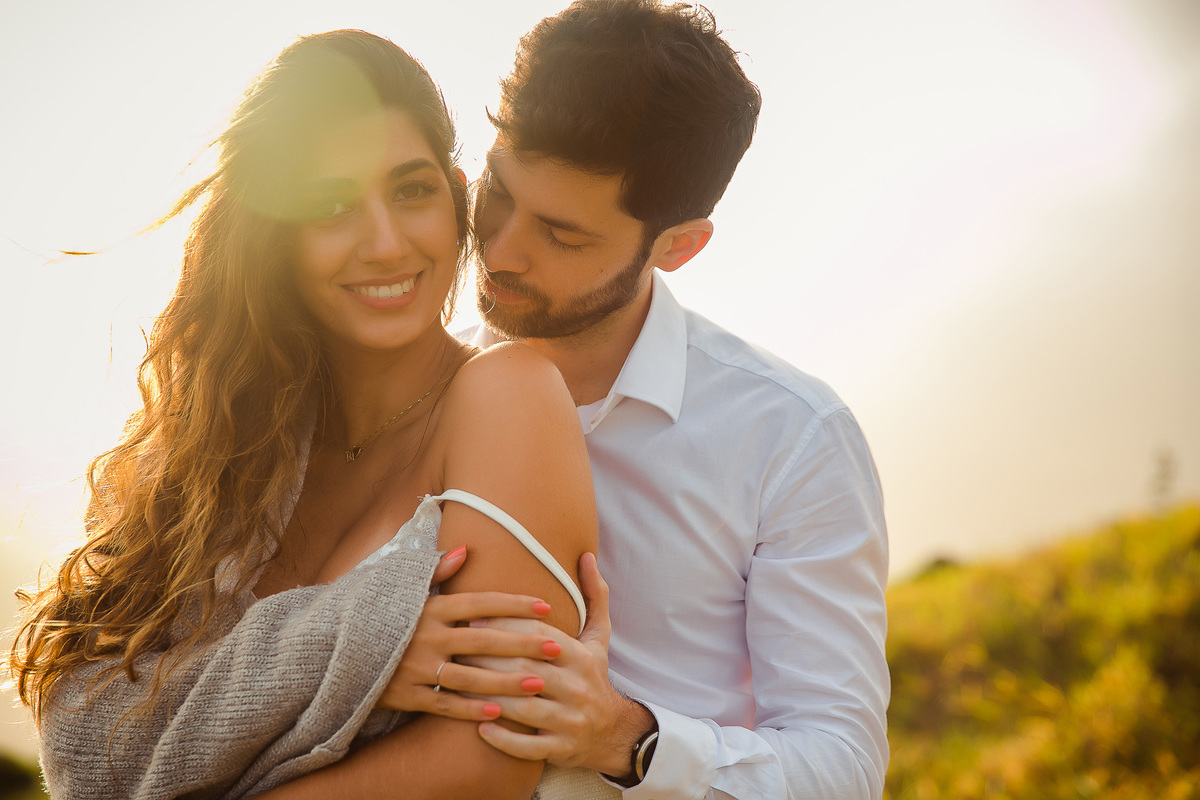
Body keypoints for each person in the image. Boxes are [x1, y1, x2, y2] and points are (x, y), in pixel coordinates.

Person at [9, 30, 596, 799]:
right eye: (329, 205)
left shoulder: (507, 391)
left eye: (412, 190)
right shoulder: (216, 447)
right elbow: (86, 731)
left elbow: (488, 761)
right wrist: (347, 648)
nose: (385, 243)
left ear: (457, 199)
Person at [455, 1, 891, 798]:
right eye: (498, 192)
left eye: (563, 235)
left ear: (678, 246)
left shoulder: (792, 438)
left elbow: (844, 771)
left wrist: (626, 737)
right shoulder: (416, 384)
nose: (502, 249)